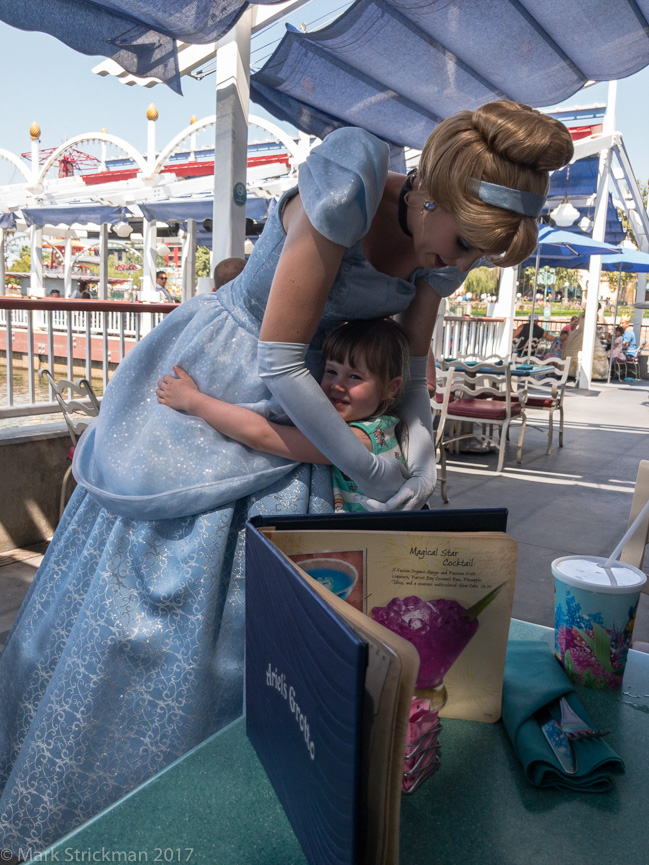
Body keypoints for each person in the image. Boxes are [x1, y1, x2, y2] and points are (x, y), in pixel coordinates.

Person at [0, 100, 574, 856]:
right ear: (434, 192)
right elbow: (277, 356)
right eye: (464, 245)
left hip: (321, 404)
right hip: (234, 376)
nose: (459, 265)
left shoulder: (443, 246)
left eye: (478, 258)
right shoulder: (354, 174)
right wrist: (361, 459)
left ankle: (261, 800)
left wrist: (421, 435)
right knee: (160, 588)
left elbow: (407, 359)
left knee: (288, 617)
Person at [156, 318, 409, 514]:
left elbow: (263, 435)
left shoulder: (358, 439)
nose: (337, 385)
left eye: (355, 376)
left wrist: (193, 401)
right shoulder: (384, 428)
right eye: (331, 371)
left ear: (390, 387)